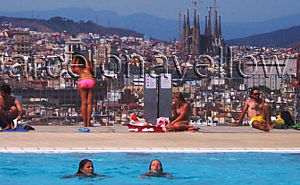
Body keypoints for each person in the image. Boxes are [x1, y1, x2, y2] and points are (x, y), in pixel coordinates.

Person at [72, 54, 95, 127]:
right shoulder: (87, 67)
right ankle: (88, 122)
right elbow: (93, 70)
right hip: (91, 81)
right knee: (89, 103)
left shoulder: (77, 68)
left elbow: (72, 69)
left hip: (82, 81)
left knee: (83, 102)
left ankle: (84, 123)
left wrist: (75, 58)